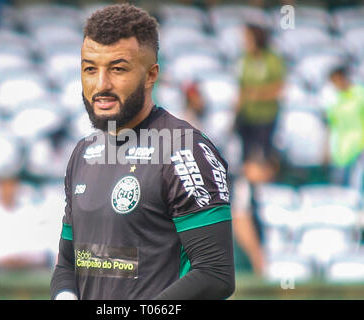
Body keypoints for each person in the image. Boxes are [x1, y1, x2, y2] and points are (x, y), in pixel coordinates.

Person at [50, 4, 235, 300]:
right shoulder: (83, 153)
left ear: (151, 76)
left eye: (118, 69)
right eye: (90, 69)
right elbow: (69, 264)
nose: (101, 85)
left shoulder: (184, 148)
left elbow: (215, 273)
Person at [234, 23, 285, 165]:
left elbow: (279, 88)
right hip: (247, 116)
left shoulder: (272, 59)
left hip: (265, 117)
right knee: (246, 155)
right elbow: (241, 87)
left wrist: (257, 95)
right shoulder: (245, 59)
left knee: (264, 156)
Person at [326, 66, 364, 193]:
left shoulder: (360, 94)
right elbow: (332, 125)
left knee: (357, 186)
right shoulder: (335, 100)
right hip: (342, 150)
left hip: (360, 146)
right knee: (340, 189)